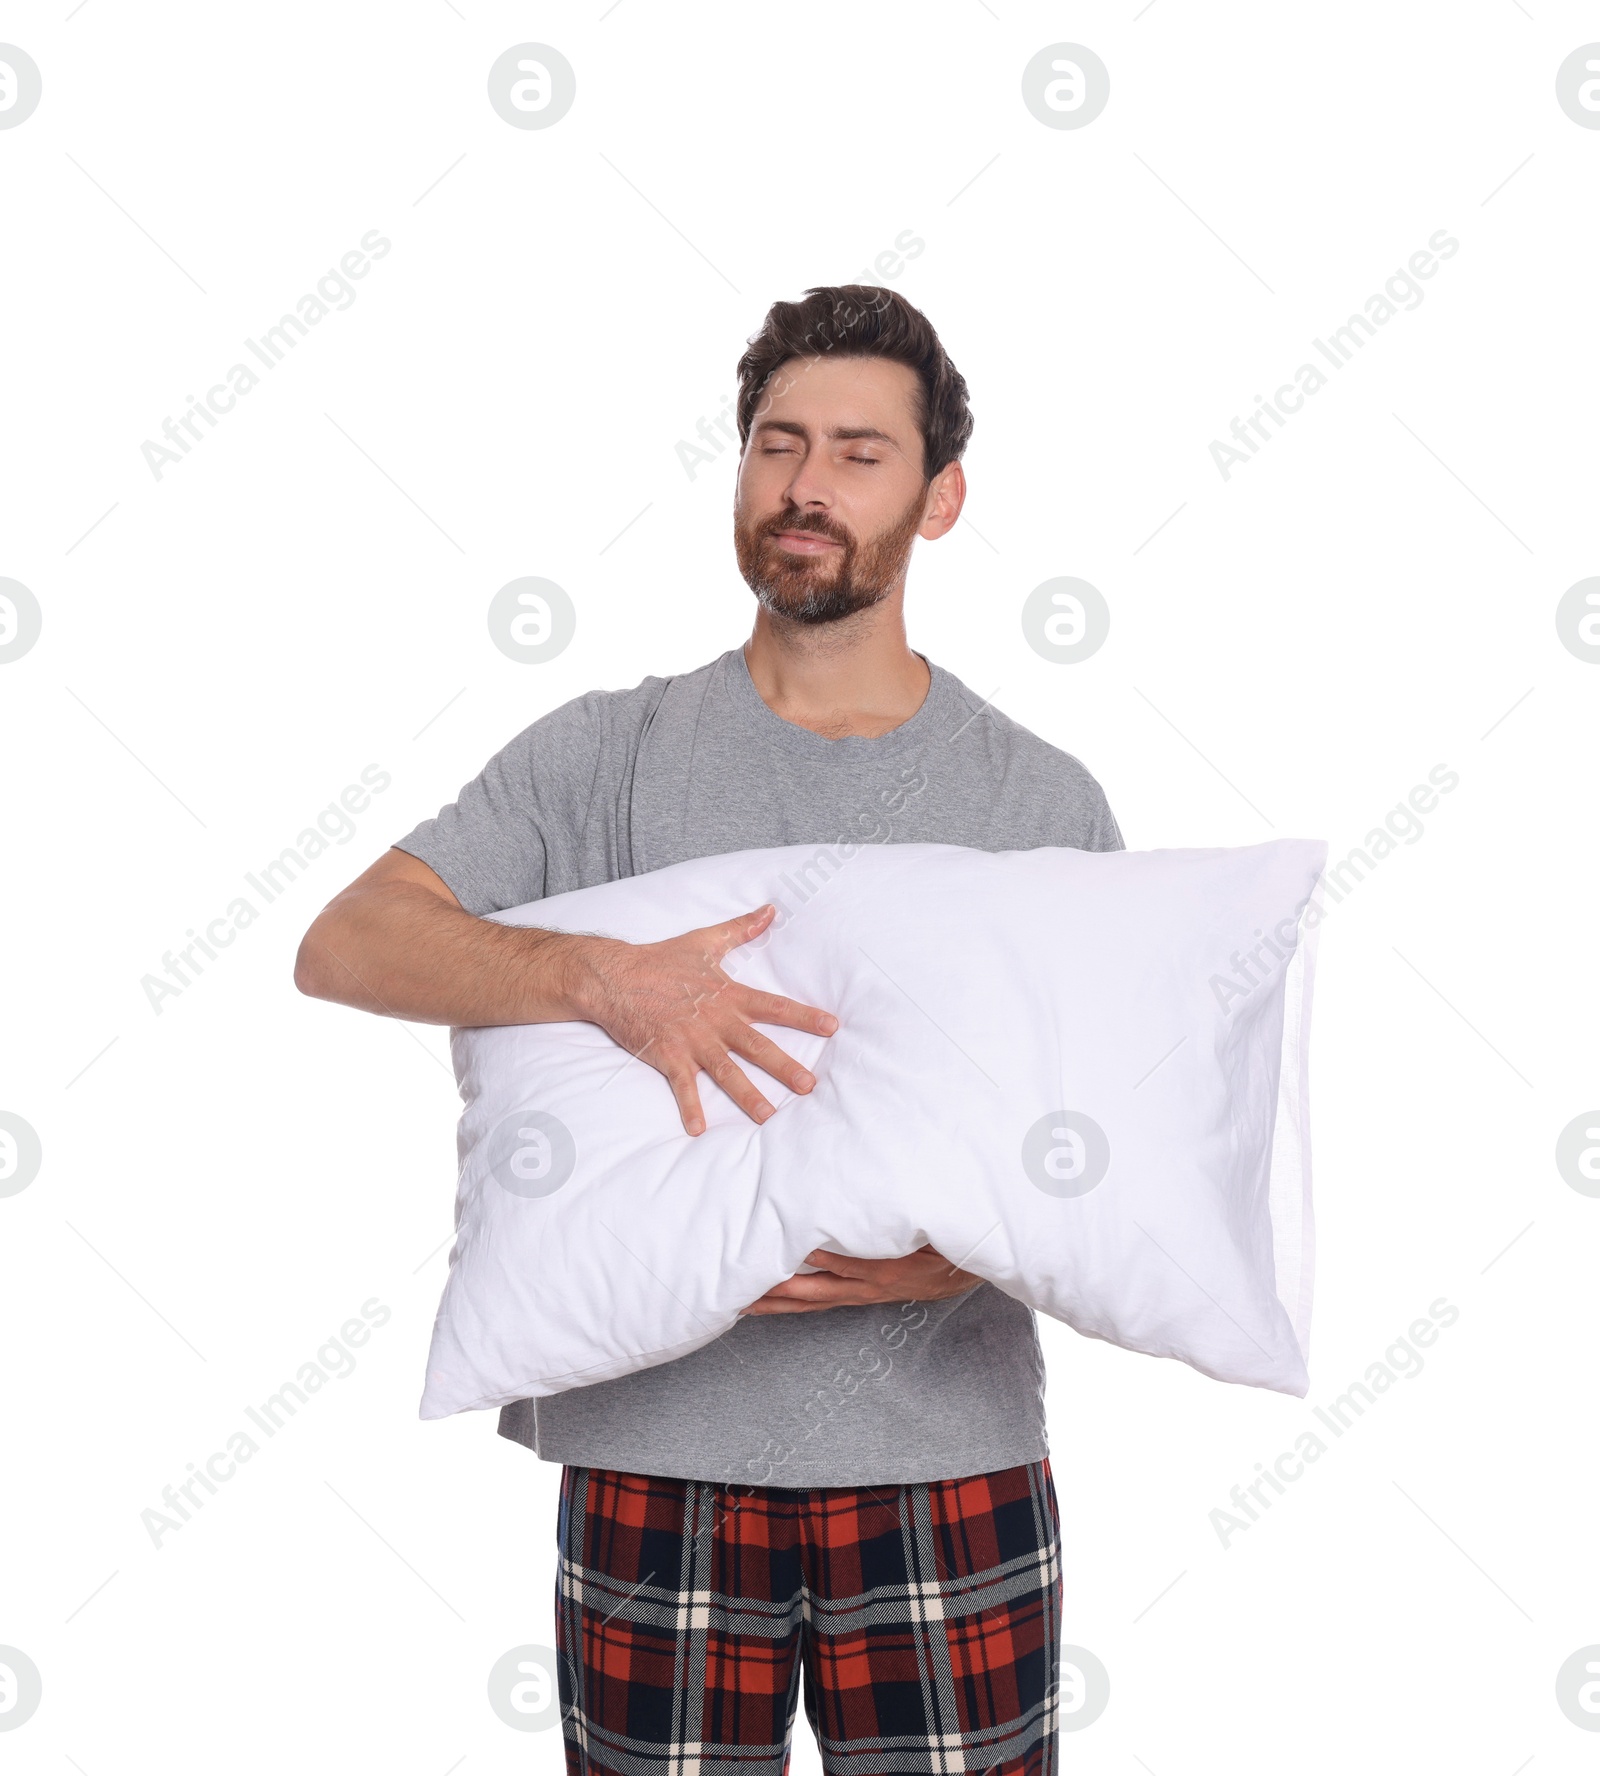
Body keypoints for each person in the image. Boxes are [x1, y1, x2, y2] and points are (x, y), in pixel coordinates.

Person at [295, 284, 1121, 1776]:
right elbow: (347, 942)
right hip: (655, 1462)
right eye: (776, 443)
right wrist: (608, 981)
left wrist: (958, 1248)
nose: (806, 486)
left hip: (945, 1461)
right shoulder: (604, 757)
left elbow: (1110, 1136)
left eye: (860, 453)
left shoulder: (1037, 802)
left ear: (940, 500)